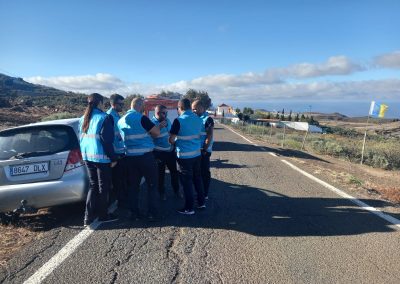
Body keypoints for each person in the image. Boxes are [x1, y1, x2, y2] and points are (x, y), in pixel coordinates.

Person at [118, 97, 162, 221]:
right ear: (141, 105)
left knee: (133, 187)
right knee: (152, 185)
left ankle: (134, 213)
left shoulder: (120, 121)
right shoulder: (142, 118)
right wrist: (159, 126)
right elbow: (156, 133)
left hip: (130, 158)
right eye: (144, 105)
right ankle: (152, 213)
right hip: (146, 157)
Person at [79, 93, 118, 226]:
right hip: (101, 158)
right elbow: (106, 140)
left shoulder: (83, 118)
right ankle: (103, 215)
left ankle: (87, 217)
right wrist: (113, 158)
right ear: (100, 103)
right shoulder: (105, 117)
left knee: (93, 186)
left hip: (87, 157)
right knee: (103, 188)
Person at [169, 98, 205, 215]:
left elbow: (171, 139)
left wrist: (174, 141)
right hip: (196, 155)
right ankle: (201, 202)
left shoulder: (178, 121)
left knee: (187, 183)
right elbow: (199, 136)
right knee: (197, 179)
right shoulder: (199, 119)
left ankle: (189, 208)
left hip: (184, 157)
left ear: (180, 108)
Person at [151, 105, 181, 200]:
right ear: (156, 113)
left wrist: (173, 144)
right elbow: (149, 138)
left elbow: (171, 134)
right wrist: (158, 127)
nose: (164, 115)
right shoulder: (151, 123)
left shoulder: (167, 120)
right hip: (158, 153)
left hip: (170, 151)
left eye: (165, 113)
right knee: (160, 174)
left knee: (174, 172)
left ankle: (176, 191)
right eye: (162, 113)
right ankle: (161, 193)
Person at [106, 94, 128, 208]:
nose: (122, 106)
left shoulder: (116, 115)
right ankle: (121, 202)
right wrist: (113, 156)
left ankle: (123, 200)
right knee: (117, 180)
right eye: (121, 104)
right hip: (115, 154)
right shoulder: (109, 116)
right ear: (113, 104)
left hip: (121, 152)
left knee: (122, 179)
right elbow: (108, 138)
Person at [192, 100, 214, 199]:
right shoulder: (195, 118)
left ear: (202, 108)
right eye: (192, 109)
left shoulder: (207, 119)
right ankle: (199, 192)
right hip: (196, 151)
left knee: (204, 173)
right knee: (197, 173)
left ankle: (205, 194)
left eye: (196, 108)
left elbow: (209, 136)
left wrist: (204, 150)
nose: (194, 111)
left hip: (204, 151)